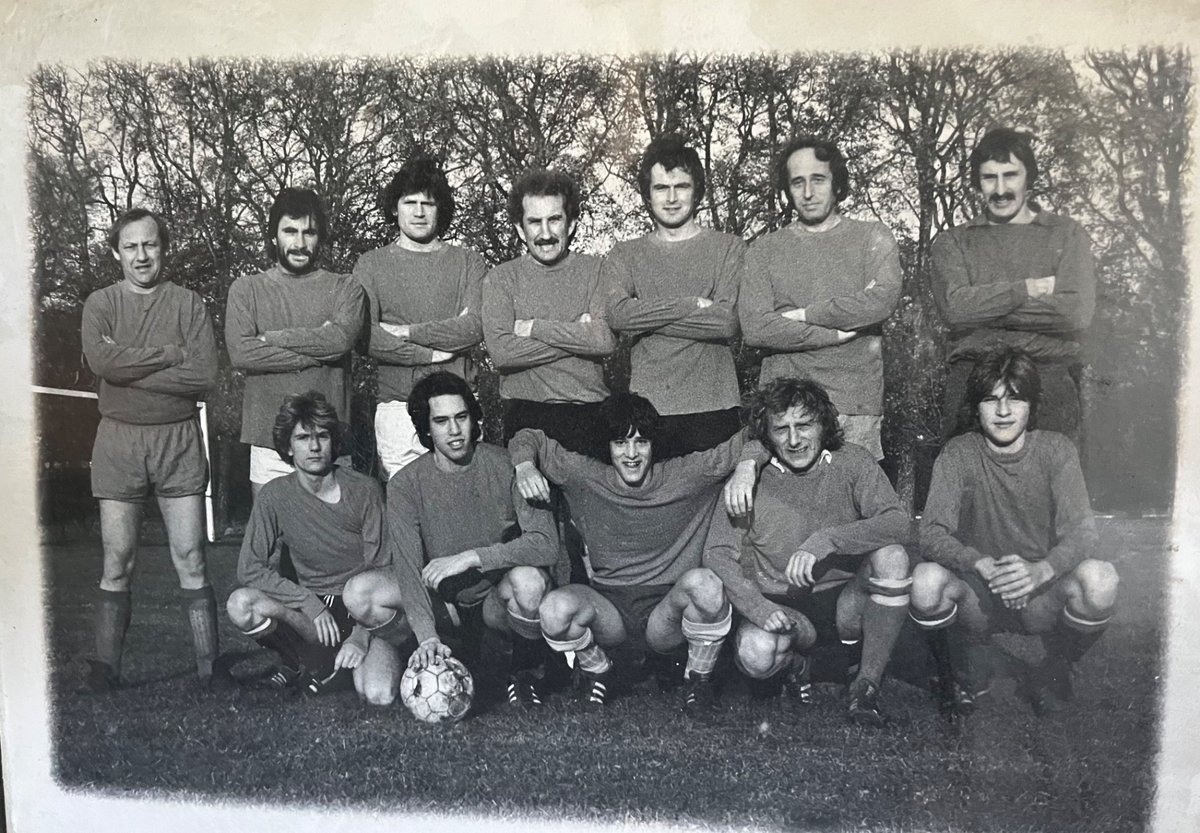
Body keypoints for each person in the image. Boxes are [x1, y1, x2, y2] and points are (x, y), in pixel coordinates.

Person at [512, 393, 763, 714]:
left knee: (706, 584)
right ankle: (600, 671)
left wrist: (745, 467)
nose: (631, 454)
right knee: (554, 608)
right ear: (608, 447)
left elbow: (756, 434)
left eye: (641, 442)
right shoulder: (586, 475)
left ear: (653, 445)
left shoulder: (685, 474)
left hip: (667, 611)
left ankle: (698, 682)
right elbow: (528, 436)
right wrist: (524, 465)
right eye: (620, 443)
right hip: (610, 611)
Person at [909, 348, 1118, 717]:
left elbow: (1083, 532)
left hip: (1037, 593)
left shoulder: (1056, 450)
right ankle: (956, 673)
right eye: (991, 399)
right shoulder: (958, 453)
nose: (1003, 412)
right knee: (926, 581)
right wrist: (979, 563)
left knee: (1102, 579)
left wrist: (1042, 570)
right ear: (976, 407)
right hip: (978, 594)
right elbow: (931, 533)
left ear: (1031, 405)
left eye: (1014, 399)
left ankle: (1054, 669)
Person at [341, 372, 561, 707]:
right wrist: (427, 635)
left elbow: (546, 543)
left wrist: (472, 557)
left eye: (461, 417)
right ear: (426, 428)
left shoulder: (506, 466)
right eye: (441, 421)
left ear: (474, 419)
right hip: (443, 606)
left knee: (530, 582)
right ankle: (423, 649)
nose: (454, 430)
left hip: (492, 602)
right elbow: (409, 568)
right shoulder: (405, 483)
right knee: (359, 593)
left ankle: (522, 670)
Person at [708, 378, 912, 725]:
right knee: (756, 655)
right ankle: (799, 666)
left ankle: (866, 687)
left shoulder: (853, 461)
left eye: (804, 425)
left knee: (893, 558)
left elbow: (899, 523)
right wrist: (757, 607)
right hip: (783, 603)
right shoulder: (749, 478)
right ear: (766, 436)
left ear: (824, 424)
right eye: (781, 429)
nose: (794, 439)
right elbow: (716, 553)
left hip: (845, 602)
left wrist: (828, 540)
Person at [80, 208, 222, 692]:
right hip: (119, 440)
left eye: (151, 245)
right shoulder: (100, 303)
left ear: (164, 248)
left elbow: (203, 375)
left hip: (179, 439)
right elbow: (102, 362)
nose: (142, 256)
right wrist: (168, 355)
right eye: (132, 247)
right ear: (117, 252)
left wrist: (127, 369)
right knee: (117, 559)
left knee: (191, 555)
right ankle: (105, 669)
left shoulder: (188, 303)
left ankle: (209, 670)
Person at [225, 392, 399, 703]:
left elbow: (382, 567)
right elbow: (249, 567)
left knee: (379, 694)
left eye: (322, 436)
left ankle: (329, 666)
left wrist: (360, 637)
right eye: (303, 438)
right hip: (314, 616)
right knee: (241, 604)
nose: (315, 447)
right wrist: (307, 601)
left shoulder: (365, 490)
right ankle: (303, 662)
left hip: (362, 608)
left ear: (334, 440)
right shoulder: (274, 496)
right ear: (288, 447)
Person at [740, 136, 902, 461]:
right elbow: (757, 328)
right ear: (787, 189)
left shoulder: (873, 237)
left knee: (852, 508)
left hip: (854, 409)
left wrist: (801, 315)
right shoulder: (764, 250)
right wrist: (836, 332)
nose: (809, 193)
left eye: (819, 179)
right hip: (783, 415)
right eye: (797, 182)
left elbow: (881, 301)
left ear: (837, 183)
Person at [930, 127, 1096, 443]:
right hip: (972, 378)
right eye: (990, 177)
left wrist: (984, 309)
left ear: (1028, 178)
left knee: (1054, 482)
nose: (1001, 189)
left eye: (1011, 175)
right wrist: (1027, 290)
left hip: (1047, 376)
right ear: (977, 183)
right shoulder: (953, 242)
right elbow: (955, 310)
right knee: (964, 479)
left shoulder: (1065, 235)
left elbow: (1076, 313)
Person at [603, 134, 744, 457]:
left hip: (715, 404)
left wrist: (645, 318)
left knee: (720, 506)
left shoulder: (728, 248)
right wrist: (691, 305)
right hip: (650, 409)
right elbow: (619, 316)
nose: (671, 198)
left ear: (697, 192)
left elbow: (726, 322)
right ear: (647, 195)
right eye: (660, 188)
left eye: (681, 186)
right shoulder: (626, 254)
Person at [226, 187, 366, 495]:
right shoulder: (246, 289)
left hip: (331, 440)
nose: (300, 243)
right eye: (290, 231)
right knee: (273, 541)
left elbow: (341, 340)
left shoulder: (345, 287)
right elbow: (241, 352)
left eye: (309, 232)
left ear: (321, 237)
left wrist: (270, 339)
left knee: (334, 540)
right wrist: (320, 350)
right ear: (273, 236)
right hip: (268, 442)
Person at [355, 157, 485, 479]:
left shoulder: (468, 262)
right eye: (409, 202)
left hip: (459, 406)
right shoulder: (370, 265)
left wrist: (407, 331)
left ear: (441, 209)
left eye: (428, 203)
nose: (418, 211)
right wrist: (429, 354)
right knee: (404, 511)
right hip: (398, 408)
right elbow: (367, 336)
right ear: (395, 208)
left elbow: (474, 325)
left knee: (463, 506)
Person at [482, 167, 615, 453]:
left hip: (590, 415)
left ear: (571, 224)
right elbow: (502, 353)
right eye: (534, 222)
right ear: (520, 229)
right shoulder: (501, 278)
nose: (545, 234)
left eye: (554, 220)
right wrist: (579, 334)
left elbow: (604, 341)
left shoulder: (597, 270)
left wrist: (533, 328)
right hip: (526, 416)